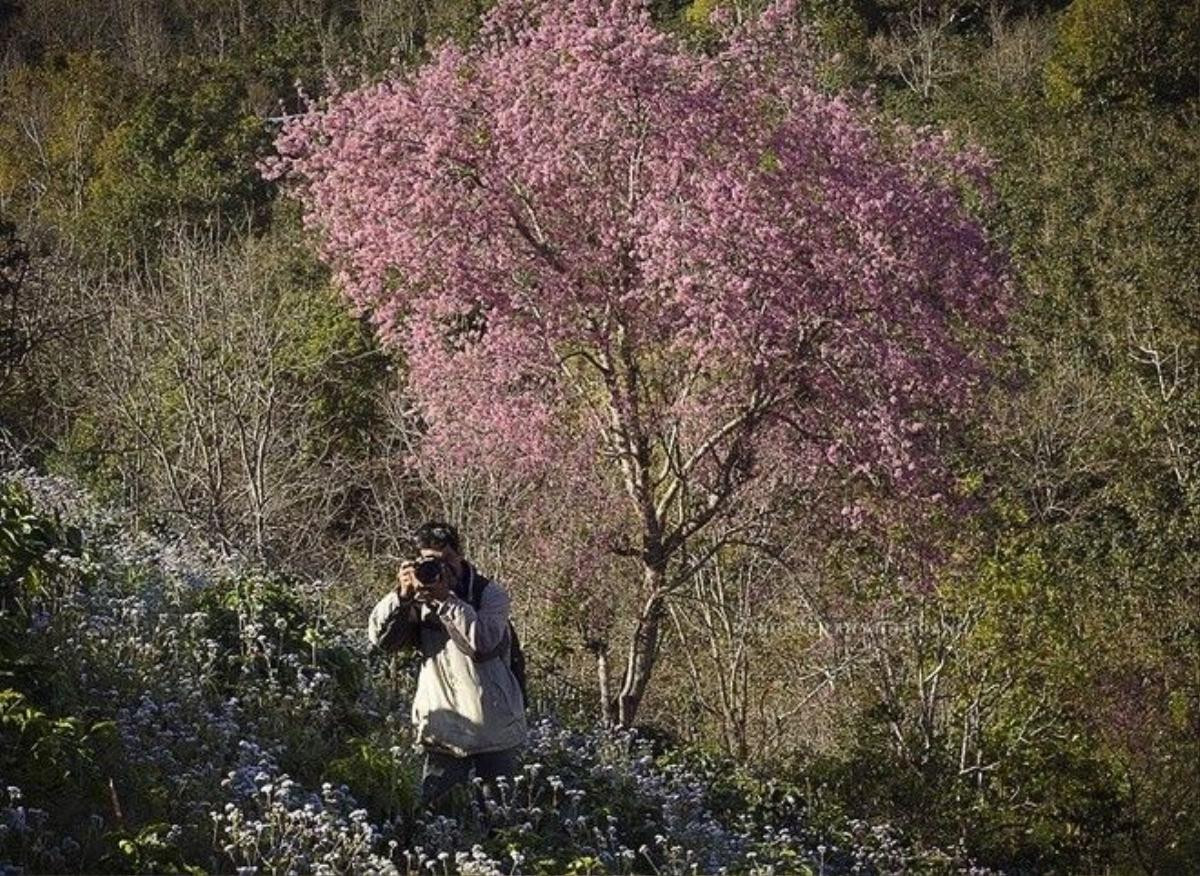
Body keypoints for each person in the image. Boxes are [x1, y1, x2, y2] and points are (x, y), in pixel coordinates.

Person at [367, 521, 527, 810]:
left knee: (501, 819)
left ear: (458, 556)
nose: (436, 569)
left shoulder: (489, 594)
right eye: (427, 561)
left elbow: (484, 642)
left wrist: (447, 600)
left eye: (443, 560)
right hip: (443, 731)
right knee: (437, 816)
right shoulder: (418, 599)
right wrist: (400, 598)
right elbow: (381, 640)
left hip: (494, 731)